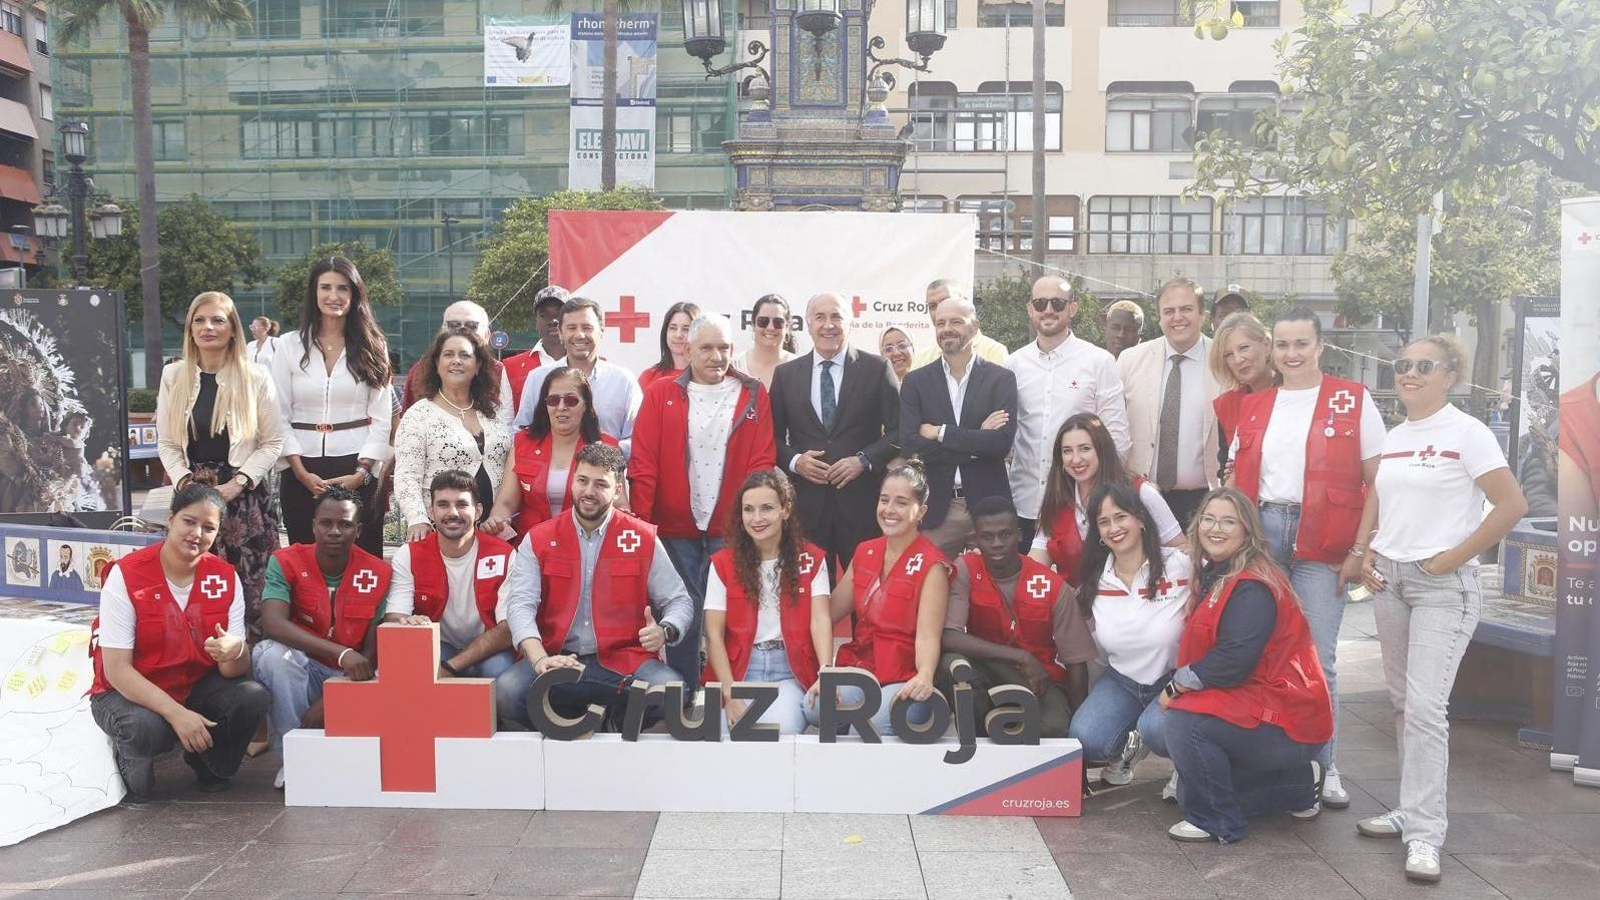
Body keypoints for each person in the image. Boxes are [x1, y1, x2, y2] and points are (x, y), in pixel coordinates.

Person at [1349, 335, 1526, 882]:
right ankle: (1410, 808)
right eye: (1402, 365)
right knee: (1404, 705)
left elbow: (1512, 504)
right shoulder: (1399, 435)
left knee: (1426, 709)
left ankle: (1426, 832)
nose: (1409, 374)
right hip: (1392, 583)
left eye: (1423, 366)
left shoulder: (1467, 433)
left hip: (1441, 586)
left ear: (1450, 374)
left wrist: (1450, 559)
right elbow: (1380, 496)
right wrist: (1369, 552)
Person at [1228, 306, 1386, 810]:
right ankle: (1266, 760)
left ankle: (1326, 764)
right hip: (1263, 535)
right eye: (1282, 344)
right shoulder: (1256, 405)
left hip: (1326, 541)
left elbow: (1381, 482)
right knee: (1259, 650)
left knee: (1319, 656)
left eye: (1301, 344)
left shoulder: (1352, 399)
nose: (1291, 354)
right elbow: (1233, 482)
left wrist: (1363, 549)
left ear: (1320, 346)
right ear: (1271, 349)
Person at [1157, 488, 1332, 844]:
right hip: (1262, 706)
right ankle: (1298, 784)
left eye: (1228, 521)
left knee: (1184, 724)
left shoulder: (1253, 585)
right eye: (1208, 519)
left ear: (1247, 532)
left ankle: (1217, 820)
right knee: (1188, 778)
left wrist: (1175, 686)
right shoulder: (1219, 571)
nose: (1215, 528)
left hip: (1289, 720)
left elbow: (1233, 661)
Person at [89, 484, 268, 802]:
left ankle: (210, 767)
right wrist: (176, 714)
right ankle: (131, 768)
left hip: (191, 685)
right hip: (127, 693)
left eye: (209, 527)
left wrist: (235, 651)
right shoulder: (126, 575)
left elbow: (233, 671)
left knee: (251, 696)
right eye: (189, 521)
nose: (197, 533)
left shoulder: (225, 577)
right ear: (171, 519)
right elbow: (117, 670)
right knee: (143, 730)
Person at [631, 314, 778, 690]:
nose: (717, 356)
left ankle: (728, 693)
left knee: (730, 613)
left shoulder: (753, 393)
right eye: (707, 348)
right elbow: (643, 463)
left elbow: (762, 461)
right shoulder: (661, 393)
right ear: (688, 349)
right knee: (684, 611)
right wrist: (644, 527)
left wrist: (753, 521)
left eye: (724, 347)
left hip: (731, 528)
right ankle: (685, 692)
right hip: (675, 527)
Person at [505, 442, 694, 727]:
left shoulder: (641, 537)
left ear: (618, 490)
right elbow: (519, 606)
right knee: (506, 693)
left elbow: (679, 600)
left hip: (625, 660)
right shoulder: (539, 538)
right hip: (558, 658)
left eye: (600, 484)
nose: (588, 492)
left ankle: (614, 719)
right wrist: (540, 659)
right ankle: (566, 730)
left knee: (672, 692)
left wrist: (665, 631)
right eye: (582, 481)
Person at [158, 291, 285, 633]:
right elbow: (168, 443)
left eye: (217, 320)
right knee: (192, 583)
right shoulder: (173, 376)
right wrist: (186, 483)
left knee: (249, 589)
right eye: (199, 320)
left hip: (242, 498)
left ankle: (250, 669)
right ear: (189, 329)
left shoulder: (256, 376)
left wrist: (238, 483)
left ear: (233, 329)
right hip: (191, 493)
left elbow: (273, 442)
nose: (207, 327)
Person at [252, 486, 391, 789]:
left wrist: (335, 694)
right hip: (302, 669)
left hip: (351, 676)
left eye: (345, 524)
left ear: (359, 529)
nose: (334, 531)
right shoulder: (285, 561)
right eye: (326, 523)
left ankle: (334, 755)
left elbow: (370, 653)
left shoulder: (379, 572)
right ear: (313, 525)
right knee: (270, 654)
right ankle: (293, 759)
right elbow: (272, 623)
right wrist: (340, 652)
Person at [1067, 482, 1193, 789]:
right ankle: (1132, 745)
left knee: (1160, 732)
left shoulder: (1181, 565)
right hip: (1123, 681)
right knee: (1085, 738)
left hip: (1175, 681)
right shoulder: (1095, 581)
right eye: (1104, 522)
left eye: (1121, 517)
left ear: (1140, 518)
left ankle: (1185, 766)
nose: (1114, 528)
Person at [937, 495, 1095, 739]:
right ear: (976, 539)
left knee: (1054, 727)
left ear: (1020, 535)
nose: (997, 543)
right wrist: (1020, 657)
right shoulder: (965, 569)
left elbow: (1076, 663)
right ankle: (979, 746)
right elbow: (949, 636)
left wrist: (1078, 733)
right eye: (987, 537)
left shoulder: (1051, 585)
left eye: (1005, 534)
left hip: (1039, 680)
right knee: (952, 665)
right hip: (987, 670)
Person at [811, 460, 950, 736]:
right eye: (884, 500)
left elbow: (927, 636)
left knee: (865, 729)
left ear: (921, 511)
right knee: (815, 707)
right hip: (862, 668)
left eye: (901, 502)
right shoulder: (865, 551)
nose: (889, 510)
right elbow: (829, 611)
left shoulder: (932, 565)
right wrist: (825, 671)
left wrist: (924, 675)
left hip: (903, 675)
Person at [770, 292, 900, 575]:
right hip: (807, 507)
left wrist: (863, 460)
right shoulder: (786, 375)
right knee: (808, 597)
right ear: (807, 324)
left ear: (850, 322)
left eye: (836, 316)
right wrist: (795, 462)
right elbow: (771, 438)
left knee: (866, 595)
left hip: (862, 505)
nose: (828, 325)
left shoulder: (877, 369)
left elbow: (900, 432)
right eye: (820, 317)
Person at [386, 470, 528, 729]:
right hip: (439, 647)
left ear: (479, 510)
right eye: (443, 504)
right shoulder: (409, 555)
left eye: (462, 504)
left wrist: (450, 668)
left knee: (499, 677)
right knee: (412, 677)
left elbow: (509, 630)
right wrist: (408, 622)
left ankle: (500, 741)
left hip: (490, 649)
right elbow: (394, 618)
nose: (452, 513)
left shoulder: (505, 554)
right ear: (430, 511)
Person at [271, 256, 393, 556]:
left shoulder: (373, 345)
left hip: (357, 466)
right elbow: (278, 413)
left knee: (362, 559)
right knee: (304, 558)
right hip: (302, 468)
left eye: (343, 288)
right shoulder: (288, 345)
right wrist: (299, 472)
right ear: (314, 292)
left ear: (354, 295)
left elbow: (381, 418)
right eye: (325, 287)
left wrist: (362, 473)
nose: (333, 296)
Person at [703, 469, 832, 735]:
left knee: (778, 732)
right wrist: (730, 695)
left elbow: (820, 620)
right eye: (748, 510)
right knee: (724, 738)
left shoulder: (812, 559)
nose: (757, 518)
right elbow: (713, 636)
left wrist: (825, 672)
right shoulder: (723, 564)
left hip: (789, 671)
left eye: (767, 508)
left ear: (785, 509)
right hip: (739, 670)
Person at [1007, 275, 1131, 546]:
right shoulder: (1013, 365)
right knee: (1032, 587)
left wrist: (1098, 497)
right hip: (1024, 504)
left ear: (1072, 309)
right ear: (1030, 309)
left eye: (1057, 303)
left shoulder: (1099, 362)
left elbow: (1117, 440)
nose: (1048, 310)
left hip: (1080, 507)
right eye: (1040, 303)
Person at [899, 292, 1018, 560]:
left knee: (998, 590)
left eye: (956, 322)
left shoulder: (1001, 379)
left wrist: (940, 433)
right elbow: (909, 444)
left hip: (989, 504)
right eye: (940, 323)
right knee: (928, 584)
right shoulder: (916, 382)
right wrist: (977, 439)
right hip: (938, 506)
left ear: (974, 327)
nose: (946, 330)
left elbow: (1000, 444)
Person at [1028, 413, 1184, 585]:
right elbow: (1034, 567)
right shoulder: (1056, 501)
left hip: (1138, 601)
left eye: (1085, 448)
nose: (1076, 459)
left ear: (1102, 450)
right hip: (1076, 606)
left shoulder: (1142, 493)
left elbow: (1182, 552)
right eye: (1067, 451)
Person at [1118, 278, 1221, 528]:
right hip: (1140, 496)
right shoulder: (1130, 360)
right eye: (1169, 311)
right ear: (1159, 317)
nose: (1178, 318)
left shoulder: (1223, 360)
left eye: (1186, 309)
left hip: (1205, 501)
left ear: (1202, 315)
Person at [394, 329, 512, 541]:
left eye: (465, 355)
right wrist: (417, 519)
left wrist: (502, 513)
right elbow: (406, 476)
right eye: (448, 355)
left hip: (493, 530)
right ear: (436, 365)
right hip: (440, 530)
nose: (456, 361)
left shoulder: (492, 413)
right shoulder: (419, 415)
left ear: (477, 366)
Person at [487, 365, 618, 542]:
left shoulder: (606, 446)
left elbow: (619, 504)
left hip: (586, 545)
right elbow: (506, 503)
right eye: (553, 400)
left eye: (571, 400)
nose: (561, 407)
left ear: (586, 404)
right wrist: (496, 522)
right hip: (531, 546)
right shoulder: (522, 443)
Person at [513, 297, 644, 459]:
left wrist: (605, 453)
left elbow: (639, 439)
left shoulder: (624, 381)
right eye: (571, 328)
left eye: (587, 327)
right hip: (548, 479)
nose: (580, 335)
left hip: (604, 479)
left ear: (602, 330)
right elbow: (520, 432)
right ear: (561, 332)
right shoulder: (538, 378)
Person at [400, 300, 515, 427]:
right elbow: (407, 424)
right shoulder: (420, 371)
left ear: (487, 335)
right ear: (442, 332)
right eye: (453, 325)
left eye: (472, 326)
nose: (462, 331)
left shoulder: (502, 372)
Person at [1208, 312, 1275, 475]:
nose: (1238, 360)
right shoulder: (1226, 405)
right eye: (1228, 355)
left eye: (1244, 348)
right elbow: (1225, 467)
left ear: (1266, 345)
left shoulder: (1294, 394)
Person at [910, 278, 1008, 369]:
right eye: (932, 306)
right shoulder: (922, 360)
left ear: (965, 301)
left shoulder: (993, 352)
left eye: (946, 301)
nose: (940, 310)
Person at [502, 285, 569, 412]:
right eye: (544, 315)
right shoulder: (512, 366)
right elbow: (507, 419)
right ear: (536, 321)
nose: (553, 320)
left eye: (559, 314)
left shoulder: (586, 364)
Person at [731, 294, 796, 389]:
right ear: (753, 325)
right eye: (763, 321)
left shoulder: (800, 368)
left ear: (787, 327)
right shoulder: (735, 367)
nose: (770, 327)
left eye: (778, 322)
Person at [638, 301, 701, 392]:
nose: (678, 335)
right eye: (673, 328)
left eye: (686, 329)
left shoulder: (706, 377)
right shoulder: (648, 377)